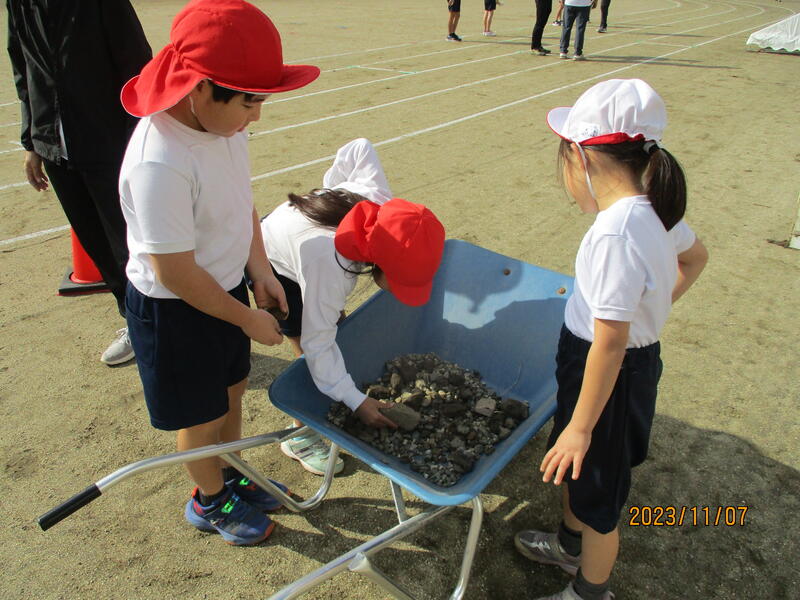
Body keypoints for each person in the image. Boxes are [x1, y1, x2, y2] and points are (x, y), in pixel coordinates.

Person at [118, 0, 320, 546]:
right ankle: (209, 499)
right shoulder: (160, 160)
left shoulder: (225, 130)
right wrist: (246, 319)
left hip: (224, 290)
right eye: (250, 102)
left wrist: (260, 269)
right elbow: (176, 272)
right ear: (201, 87)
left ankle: (229, 473)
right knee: (200, 417)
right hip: (176, 309)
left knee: (231, 394)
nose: (256, 116)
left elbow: (239, 204)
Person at [514, 78, 708, 600]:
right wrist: (653, 307)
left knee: (599, 497)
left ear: (581, 158)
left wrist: (581, 427)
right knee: (579, 473)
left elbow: (611, 344)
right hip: (602, 366)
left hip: (608, 374)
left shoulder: (614, 233)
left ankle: (589, 591)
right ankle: (568, 546)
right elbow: (696, 258)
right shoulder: (654, 209)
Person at [260, 139, 445, 476]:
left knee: (330, 320)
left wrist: (332, 190)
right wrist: (357, 401)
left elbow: (360, 148)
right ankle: (300, 436)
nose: (401, 292)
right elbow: (318, 342)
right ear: (381, 263)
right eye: (401, 282)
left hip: (300, 234)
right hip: (273, 260)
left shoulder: (382, 206)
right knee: (307, 344)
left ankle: (333, 387)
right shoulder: (331, 265)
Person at [6, 0, 152, 365]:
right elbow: (23, 68)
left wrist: (139, 141)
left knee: (131, 244)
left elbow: (136, 64)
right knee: (97, 244)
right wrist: (32, 142)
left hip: (109, 141)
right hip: (54, 146)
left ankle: (156, 327)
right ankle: (134, 322)